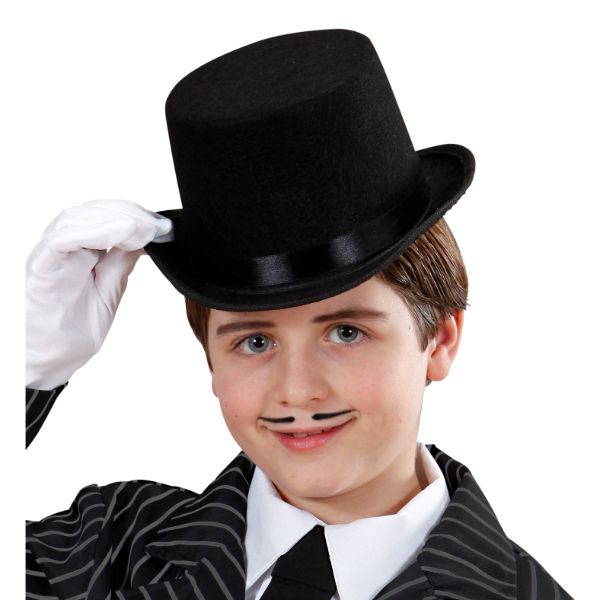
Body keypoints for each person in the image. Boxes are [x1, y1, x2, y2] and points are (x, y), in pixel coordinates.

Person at [25, 29, 573, 600]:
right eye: (255, 342)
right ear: (210, 359)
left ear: (439, 339)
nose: (296, 390)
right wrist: (26, 374)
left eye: (346, 332)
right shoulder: (110, 548)